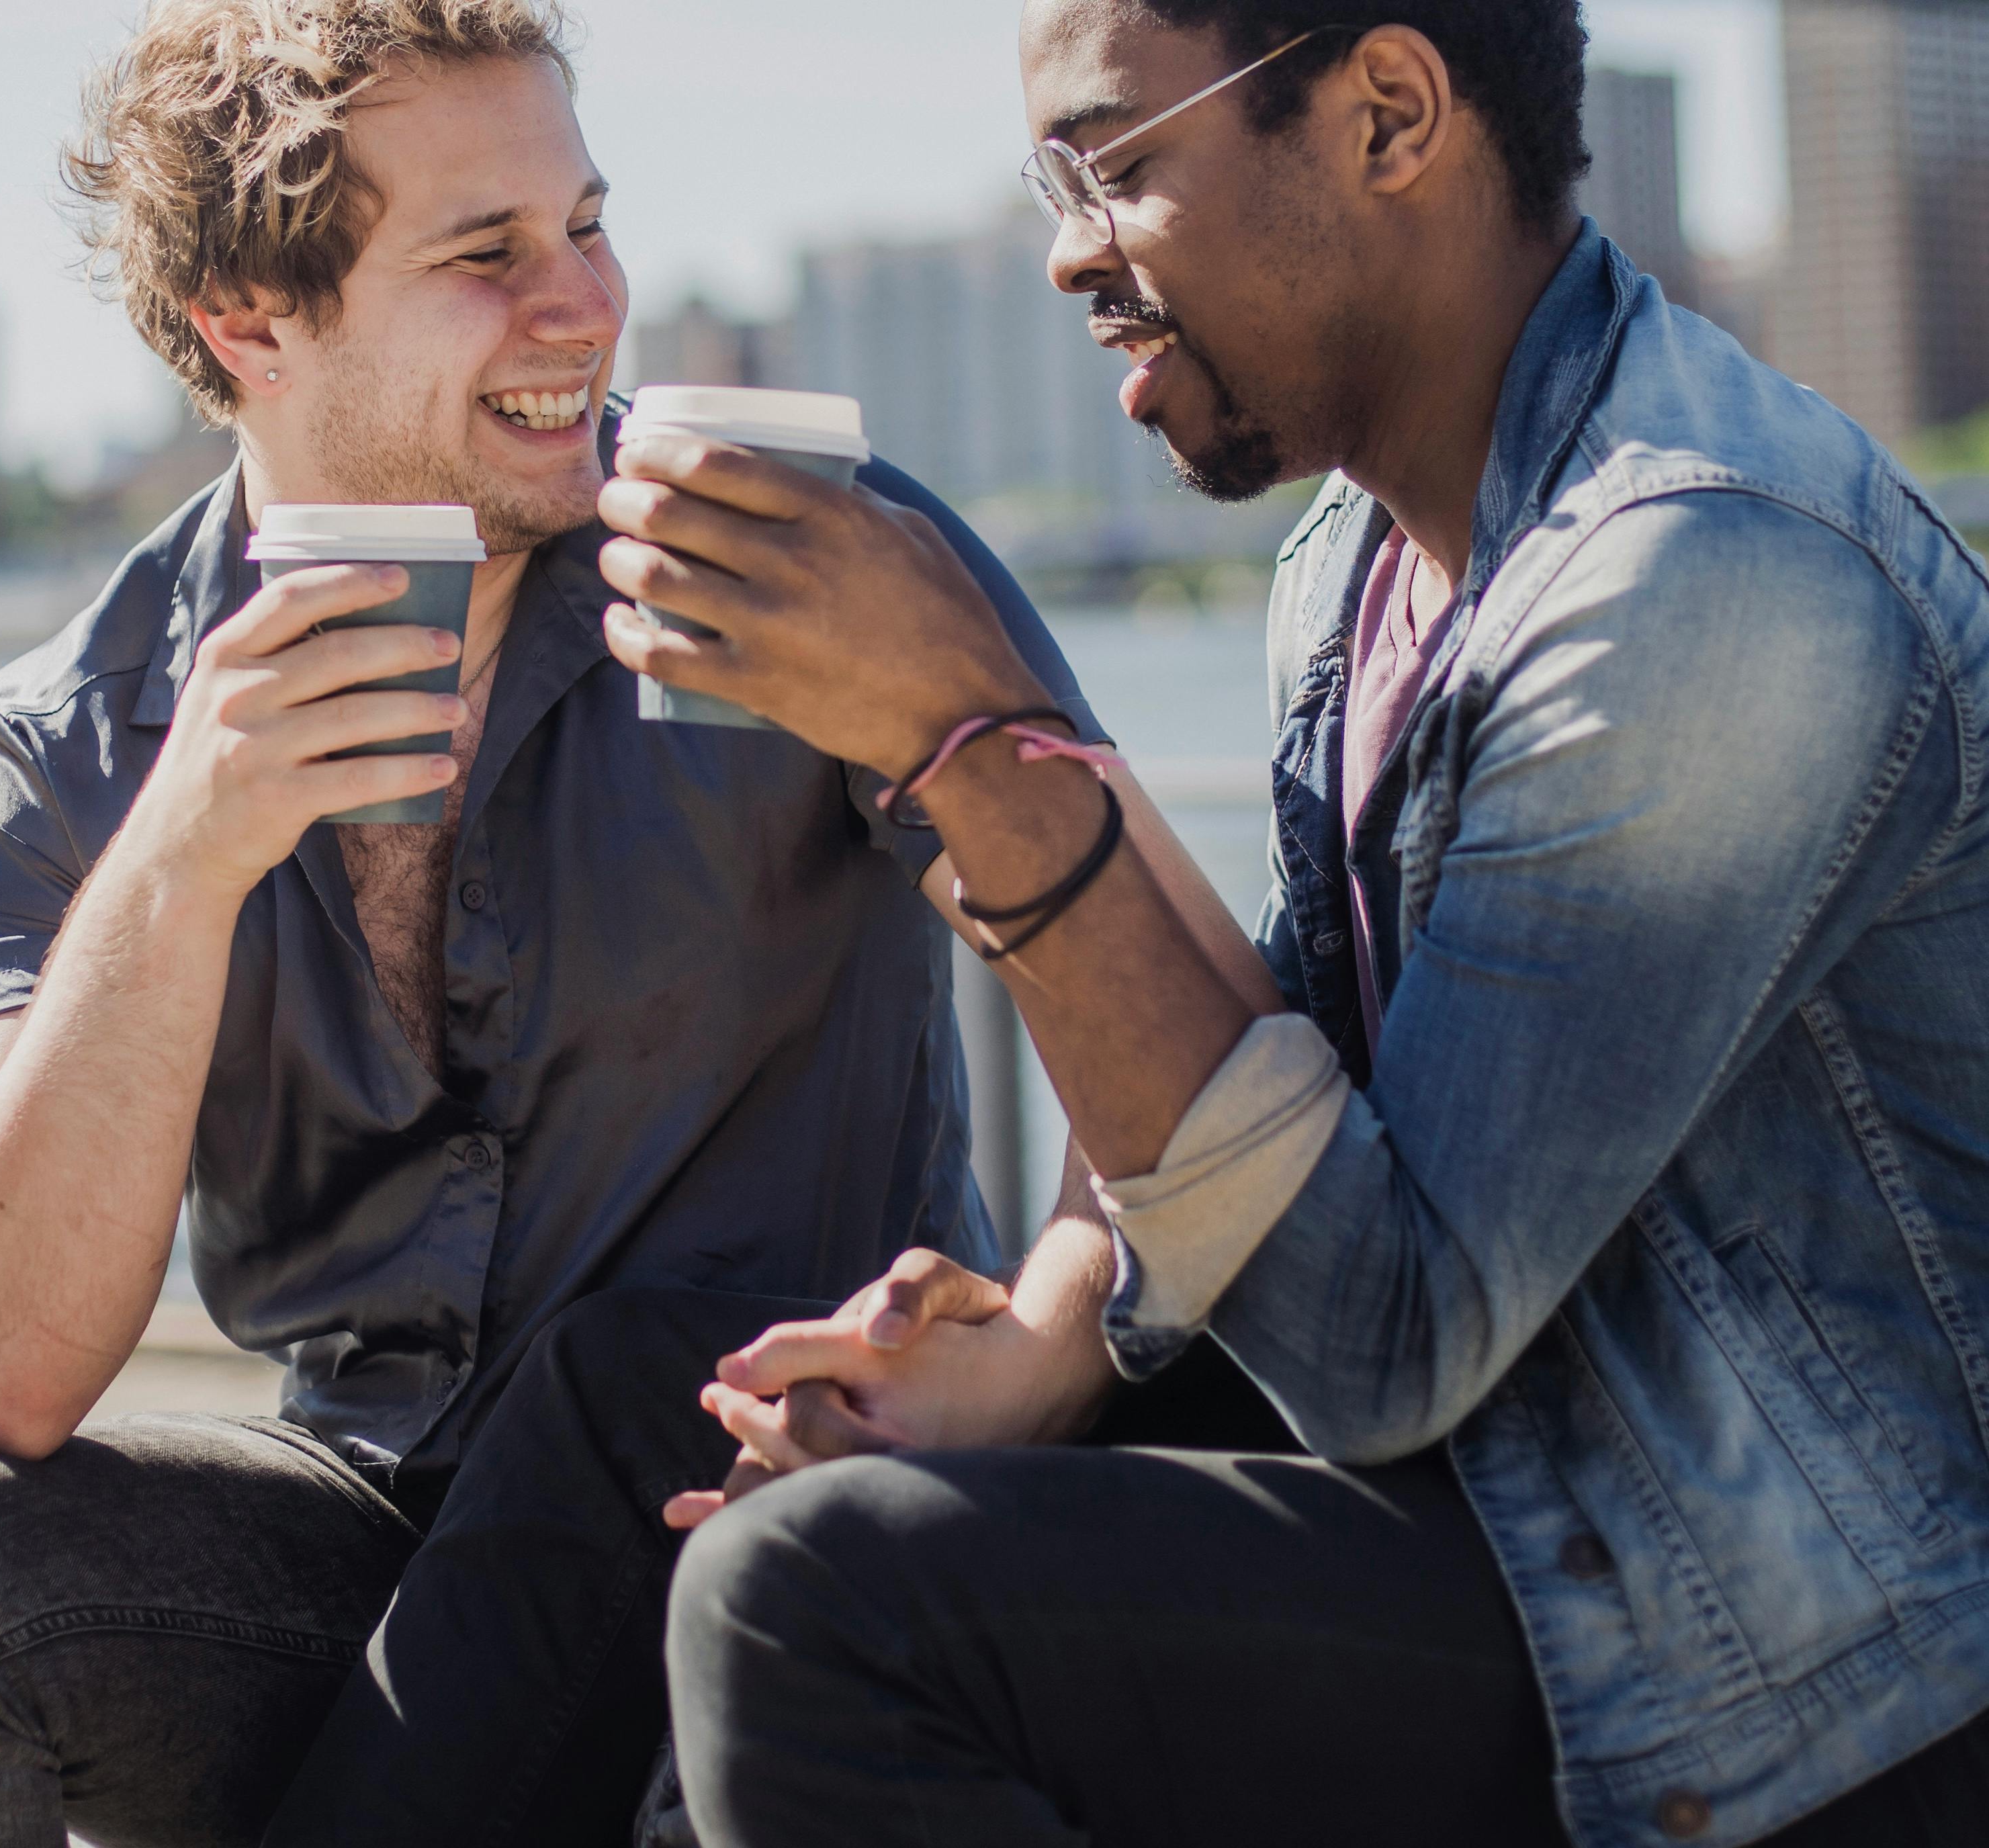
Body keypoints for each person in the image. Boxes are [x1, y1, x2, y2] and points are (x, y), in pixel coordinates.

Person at [0, 3, 1257, 1844]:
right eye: (487, 255)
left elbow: (1174, 1025)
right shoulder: (64, 751)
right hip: (365, 1538)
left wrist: (1035, 1355)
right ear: (246, 321)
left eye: (588, 225)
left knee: (635, 1389)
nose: (585, 306)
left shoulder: (794, 561)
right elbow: (1, 1364)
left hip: (774, 1509)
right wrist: (183, 860)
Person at [581, 5, 1989, 1846]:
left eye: (1119, 163)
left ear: (1390, 115)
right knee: (684, 1428)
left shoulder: (1701, 575)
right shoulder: (1358, 557)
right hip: (1528, 1491)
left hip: (1805, 1674)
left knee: (821, 1606)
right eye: (1051, 184)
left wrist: (985, 751)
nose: (1071, 248)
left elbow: (1384, 1337)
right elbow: (1274, 1070)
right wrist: (1043, 1338)